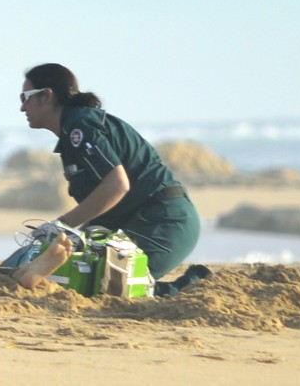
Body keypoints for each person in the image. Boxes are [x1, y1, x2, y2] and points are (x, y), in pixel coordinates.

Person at [19, 63, 202, 295]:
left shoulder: (80, 125)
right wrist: (69, 239)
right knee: (74, 272)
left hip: (163, 221)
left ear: (47, 96)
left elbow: (117, 185)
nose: (22, 107)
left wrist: (62, 225)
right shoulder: (71, 134)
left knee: (109, 286)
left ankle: (190, 286)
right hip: (130, 220)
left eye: (25, 97)